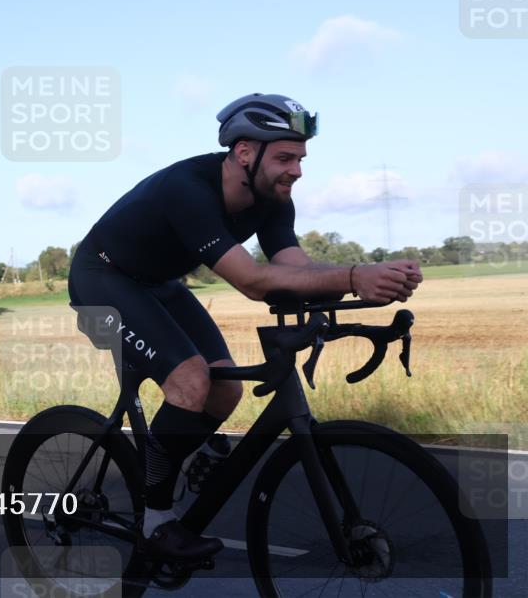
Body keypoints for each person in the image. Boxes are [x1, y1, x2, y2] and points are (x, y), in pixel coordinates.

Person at [67, 93, 423, 561]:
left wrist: (372, 283)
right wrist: (356, 276)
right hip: (102, 279)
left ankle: (176, 459)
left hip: (159, 284)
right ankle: (155, 518)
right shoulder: (188, 189)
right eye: (284, 157)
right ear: (243, 153)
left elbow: (296, 267)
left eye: (299, 158)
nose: (296, 169)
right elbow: (253, 281)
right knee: (190, 380)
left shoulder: (273, 198)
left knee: (224, 390)